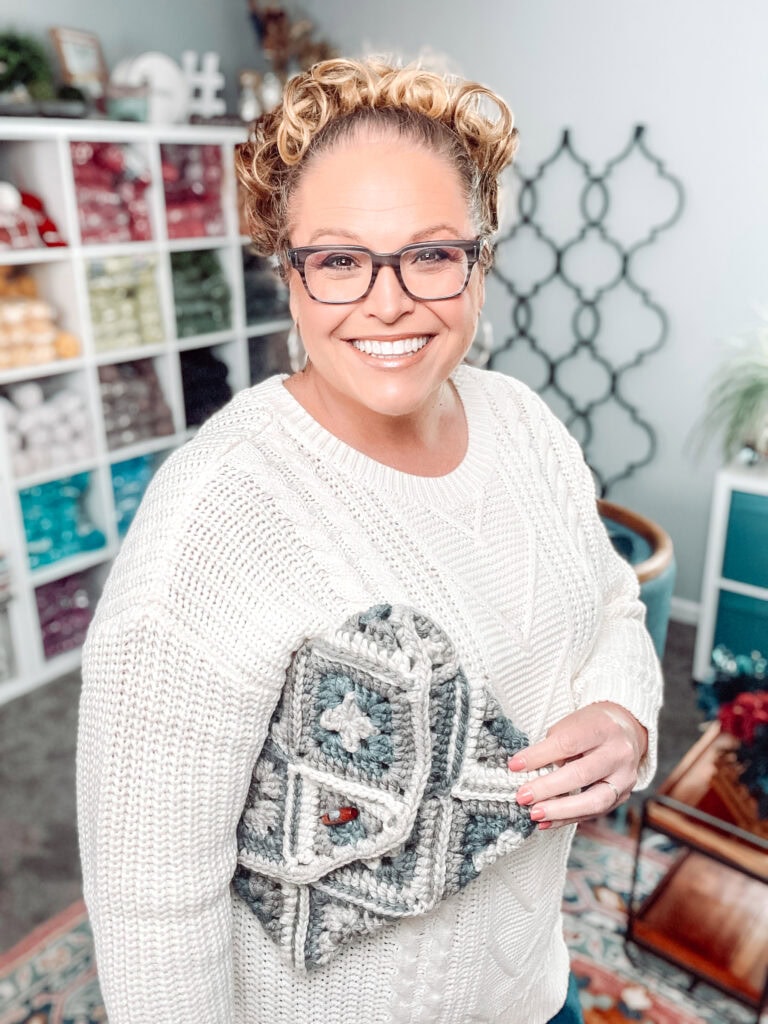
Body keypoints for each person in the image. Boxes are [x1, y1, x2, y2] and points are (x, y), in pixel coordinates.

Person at [77, 56, 662, 1024]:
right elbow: (152, 908)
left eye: (431, 254)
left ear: (480, 257)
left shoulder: (522, 420)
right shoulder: (215, 518)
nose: (387, 303)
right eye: (341, 260)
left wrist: (624, 710)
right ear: (288, 269)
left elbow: (610, 602)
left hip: (532, 987)